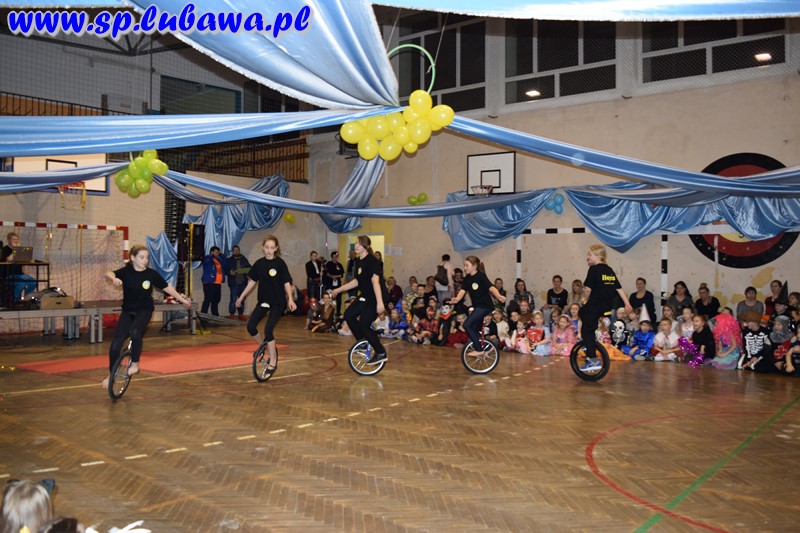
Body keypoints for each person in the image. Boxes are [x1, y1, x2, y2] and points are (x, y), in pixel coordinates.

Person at [102, 245, 192, 389]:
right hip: (128, 311)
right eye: (141, 257)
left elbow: (167, 287)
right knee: (114, 347)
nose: (145, 260)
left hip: (144, 310)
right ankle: (111, 375)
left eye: (146, 258)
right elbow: (108, 273)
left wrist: (182, 300)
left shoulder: (151, 274)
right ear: (133, 258)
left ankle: (135, 364)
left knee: (135, 332)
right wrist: (113, 279)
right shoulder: (126, 272)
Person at [236, 235, 297, 373]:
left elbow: (286, 282)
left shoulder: (280, 263)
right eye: (267, 247)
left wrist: (290, 299)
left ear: (276, 248)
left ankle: (273, 361)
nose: (269, 250)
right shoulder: (259, 264)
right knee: (251, 326)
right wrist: (241, 297)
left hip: (277, 302)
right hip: (263, 301)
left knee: (268, 330)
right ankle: (264, 346)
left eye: (272, 248)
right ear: (263, 248)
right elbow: (251, 282)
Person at [331, 235, 388, 365]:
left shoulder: (371, 260)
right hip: (365, 295)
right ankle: (362, 342)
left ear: (366, 246)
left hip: (375, 296)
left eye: (358, 243)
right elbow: (357, 281)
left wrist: (380, 302)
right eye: (355, 243)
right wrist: (339, 289)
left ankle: (380, 352)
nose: (356, 245)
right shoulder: (358, 261)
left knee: (364, 324)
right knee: (348, 315)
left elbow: (376, 282)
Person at [579, 244, 633, 371]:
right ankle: (589, 342)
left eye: (589, 255)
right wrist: (627, 304)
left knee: (585, 323)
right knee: (588, 322)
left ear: (598, 256)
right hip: (606, 306)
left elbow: (587, 289)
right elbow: (619, 289)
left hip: (595, 304)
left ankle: (592, 360)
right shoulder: (609, 270)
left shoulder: (593, 269)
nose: (587, 257)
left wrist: (584, 300)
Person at [449, 255, 507, 357]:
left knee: (466, 325)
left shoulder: (481, 276)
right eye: (464, 265)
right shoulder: (467, 278)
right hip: (478, 307)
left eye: (467, 265)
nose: (465, 268)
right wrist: (457, 299)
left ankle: (479, 349)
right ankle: (486, 346)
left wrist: (498, 296)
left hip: (485, 306)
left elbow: (491, 287)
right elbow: (462, 290)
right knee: (474, 328)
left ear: (475, 266)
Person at [0, 231, 37, 303]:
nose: (16, 241)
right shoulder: (4, 250)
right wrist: (15, 250)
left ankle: (27, 299)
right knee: (21, 283)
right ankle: (14, 301)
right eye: (14, 239)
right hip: (8, 275)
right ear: (9, 240)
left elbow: (25, 264)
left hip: (20, 274)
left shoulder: (21, 250)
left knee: (32, 282)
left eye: (17, 239)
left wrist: (26, 274)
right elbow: (8, 259)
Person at [226, 245, 251, 320]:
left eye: (237, 250)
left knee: (242, 300)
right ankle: (231, 314)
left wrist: (245, 271)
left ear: (239, 251)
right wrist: (230, 272)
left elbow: (250, 268)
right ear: (232, 251)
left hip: (243, 283)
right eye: (235, 250)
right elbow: (225, 270)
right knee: (233, 300)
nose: (236, 252)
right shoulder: (229, 260)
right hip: (234, 283)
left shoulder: (244, 259)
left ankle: (240, 314)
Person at [200, 246, 225, 316]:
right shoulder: (207, 258)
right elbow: (206, 262)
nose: (217, 254)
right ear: (212, 252)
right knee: (207, 300)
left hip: (217, 283)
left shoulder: (219, 259)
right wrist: (212, 256)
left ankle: (215, 315)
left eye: (218, 252)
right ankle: (203, 316)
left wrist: (222, 256)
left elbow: (225, 265)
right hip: (209, 283)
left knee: (216, 300)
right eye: (216, 252)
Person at [323, 250, 345, 316]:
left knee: (339, 298)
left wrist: (336, 276)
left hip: (337, 284)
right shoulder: (328, 264)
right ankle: (329, 312)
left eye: (336, 257)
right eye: (334, 257)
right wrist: (332, 276)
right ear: (332, 257)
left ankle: (338, 312)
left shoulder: (339, 265)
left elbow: (342, 274)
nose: (335, 258)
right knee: (330, 297)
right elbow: (326, 273)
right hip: (330, 283)